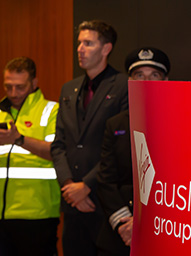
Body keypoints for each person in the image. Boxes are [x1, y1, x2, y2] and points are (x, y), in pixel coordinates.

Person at [51, 20, 129, 256]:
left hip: (104, 203)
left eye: (88, 43)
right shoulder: (69, 89)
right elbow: (59, 145)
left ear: (106, 48)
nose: (80, 49)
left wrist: (85, 186)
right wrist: (69, 187)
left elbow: (120, 150)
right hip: (73, 203)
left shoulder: (124, 85)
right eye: (79, 43)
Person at [96, 47, 170, 256]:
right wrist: (125, 224)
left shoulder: (180, 123)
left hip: (163, 228)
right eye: (139, 75)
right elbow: (106, 181)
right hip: (120, 232)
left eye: (154, 75)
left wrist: (146, 222)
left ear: (165, 80)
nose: (146, 81)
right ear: (130, 81)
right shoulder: (115, 124)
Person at [0, 57, 61, 255]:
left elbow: (56, 153)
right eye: (8, 87)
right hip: (1, 215)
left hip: (38, 213)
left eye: (20, 87)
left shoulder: (51, 110)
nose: (13, 93)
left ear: (34, 83)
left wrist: (19, 139)